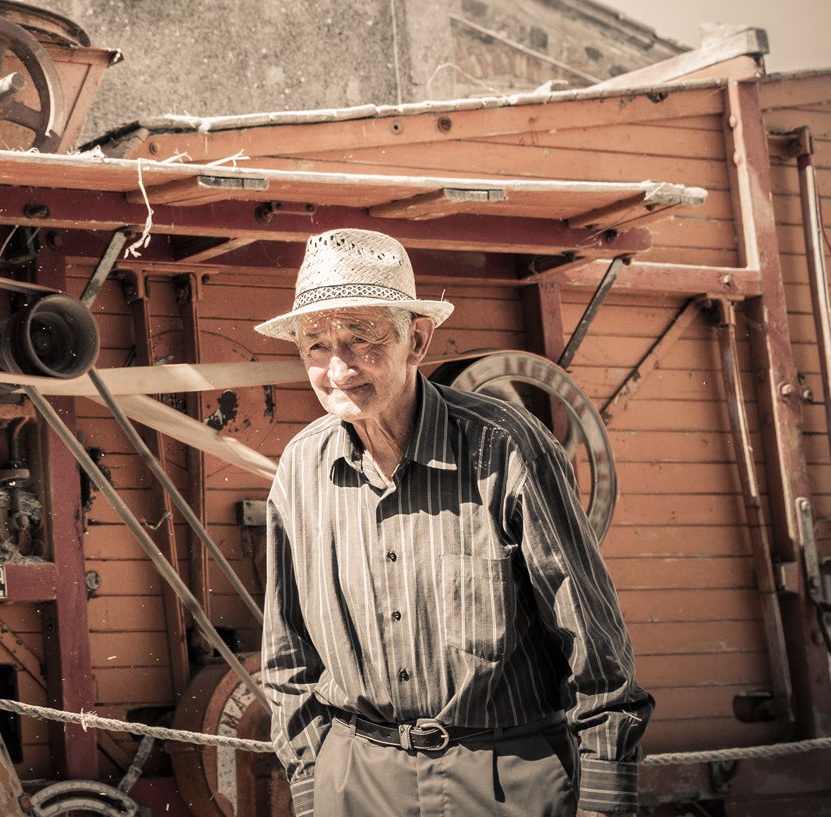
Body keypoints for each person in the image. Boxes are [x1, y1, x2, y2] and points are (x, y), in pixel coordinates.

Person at [257, 229, 652, 817]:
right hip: (355, 778)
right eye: (315, 344)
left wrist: (603, 795)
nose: (337, 368)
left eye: (359, 339)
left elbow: (593, 644)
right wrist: (314, 784)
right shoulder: (300, 467)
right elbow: (286, 654)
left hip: (504, 778)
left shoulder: (507, 448)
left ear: (416, 339)